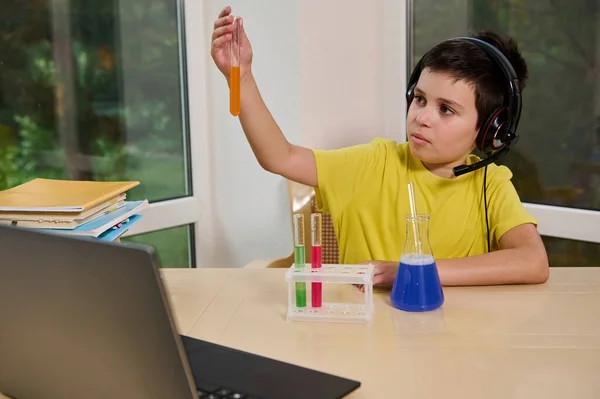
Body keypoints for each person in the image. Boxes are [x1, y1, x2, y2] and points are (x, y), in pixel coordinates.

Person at [210, 6, 549, 287]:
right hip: (360, 338)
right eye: (419, 99)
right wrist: (240, 79)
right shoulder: (374, 161)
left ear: (489, 129)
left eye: (446, 109)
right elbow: (278, 156)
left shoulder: (490, 183)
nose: (422, 117)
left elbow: (533, 261)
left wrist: (413, 271)